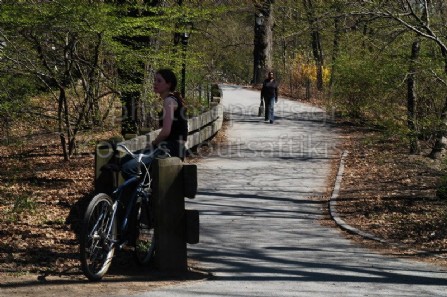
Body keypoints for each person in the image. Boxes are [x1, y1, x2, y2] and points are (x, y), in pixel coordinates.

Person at [121, 68, 188, 178]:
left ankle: (142, 192)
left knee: (128, 167)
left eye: (159, 81)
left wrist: (153, 143)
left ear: (168, 84)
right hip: (172, 147)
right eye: (155, 80)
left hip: (170, 149)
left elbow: (166, 131)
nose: (155, 83)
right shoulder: (172, 100)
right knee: (127, 158)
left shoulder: (169, 101)